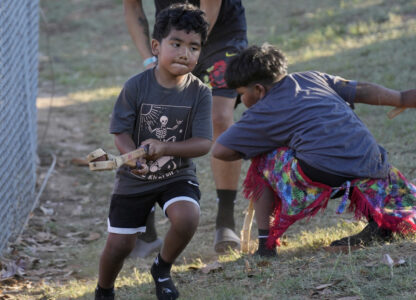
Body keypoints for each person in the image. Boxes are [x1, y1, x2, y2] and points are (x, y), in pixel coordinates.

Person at [212, 44, 416, 257]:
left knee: (263, 158)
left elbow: (220, 150)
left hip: (324, 173)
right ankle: (381, 222)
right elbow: (361, 89)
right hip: (372, 165)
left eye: (241, 94)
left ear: (258, 90)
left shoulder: (262, 111)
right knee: (350, 147)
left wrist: (268, 144)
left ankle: (265, 246)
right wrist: (400, 98)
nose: (241, 101)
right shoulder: (313, 77)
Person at [95, 4, 211, 299]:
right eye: (176, 44)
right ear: (156, 47)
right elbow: (119, 132)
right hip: (135, 179)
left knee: (187, 217)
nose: (185, 53)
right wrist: (132, 158)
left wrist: (165, 147)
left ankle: (161, 269)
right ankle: (104, 290)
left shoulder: (200, 92)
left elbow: (203, 143)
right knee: (120, 246)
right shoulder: (135, 86)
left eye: (194, 47)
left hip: (176, 174)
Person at [123, 0, 248, 254]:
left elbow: (210, 6)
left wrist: (187, 55)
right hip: (172, 32)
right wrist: (150, 59)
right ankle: (144, 229)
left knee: (219, 117)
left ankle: (225, 220)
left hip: (222, 32)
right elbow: (132, 6)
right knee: (154, 116)